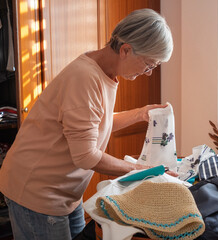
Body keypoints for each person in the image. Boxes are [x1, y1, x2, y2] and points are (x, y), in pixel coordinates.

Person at [0, 8, 176, 240]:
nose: (149, 73)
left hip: (65, 192)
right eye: (149, 65)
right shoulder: (85, 78)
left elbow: (94, 125)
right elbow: (86, 156)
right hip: (38, 192)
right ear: (126, 50)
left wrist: (140, 113)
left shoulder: (104, 72)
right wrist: (141, 171)